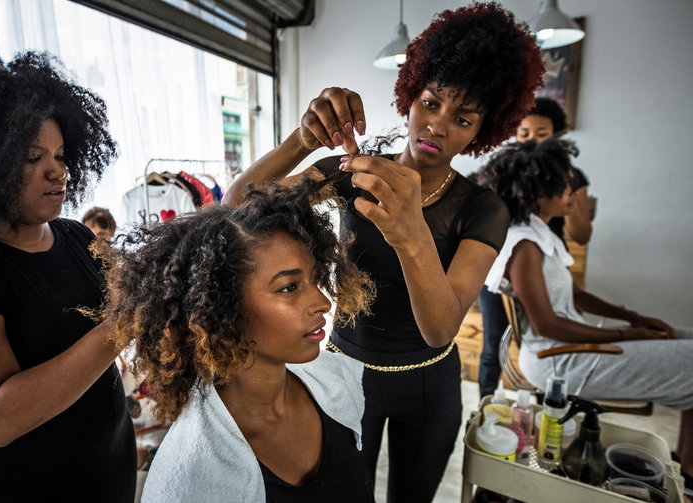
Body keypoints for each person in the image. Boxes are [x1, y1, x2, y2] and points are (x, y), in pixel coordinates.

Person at [223, 3, 545, 500]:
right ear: (411, 95)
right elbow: (238, 205)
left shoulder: (483, 208)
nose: (437, 126)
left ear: (482, 132)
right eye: (432, 102)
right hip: (340, 371)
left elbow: (440, 327)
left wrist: (410, 229)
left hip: (427, 383)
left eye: (463, 118)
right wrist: (302, 140)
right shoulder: (353, 173)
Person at [0, 42, 136, 501]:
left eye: (61, 156)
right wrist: (123, 326)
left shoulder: (78, 239)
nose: (56, 172)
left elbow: (144, 286)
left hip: (107, 476)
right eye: (32, 158)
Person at [97, 178, 376, 502]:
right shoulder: (193, 475)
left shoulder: (335, 385)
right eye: (288, 287)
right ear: (221, 310)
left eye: (314, 278)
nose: (323, 303)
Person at [479, 139, 693, 490]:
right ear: (536, 191)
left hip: (567, 345)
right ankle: (688, 478)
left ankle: (685, 470)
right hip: (558, 361)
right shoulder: (525, 245)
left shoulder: (542, 235)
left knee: (684, 338)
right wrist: (627, 335)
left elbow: (576, 295)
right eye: (562, 185)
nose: (572, 192)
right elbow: (547, 324)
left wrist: (634, 318)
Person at [478, 96, 592, 398]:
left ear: (557, 136)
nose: (531, 141)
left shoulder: (571, 178)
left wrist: (570, 190)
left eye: (541, 135)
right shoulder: (504, 171)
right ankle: (486, 401)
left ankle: (548, 398)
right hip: (504, 266)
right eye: (524, 133)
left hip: (546, 267)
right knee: (493, 341)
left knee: (547, 337)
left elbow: (581, 235)